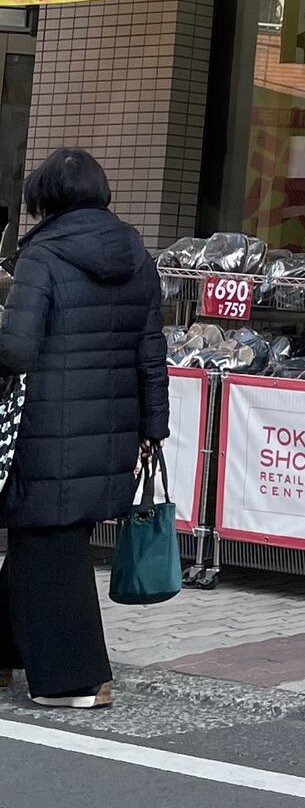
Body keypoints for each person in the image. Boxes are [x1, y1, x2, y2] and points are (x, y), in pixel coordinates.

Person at [0, 148, 168, 707]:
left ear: (43, 199)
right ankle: (5, 656)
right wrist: (154, 425)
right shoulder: (137, 254)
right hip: (113, 427)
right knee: (42, 537)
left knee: (48, 539)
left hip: (45, 425)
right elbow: (151, 348)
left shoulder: (41, 256)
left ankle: (77, 679)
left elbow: (18, 350)